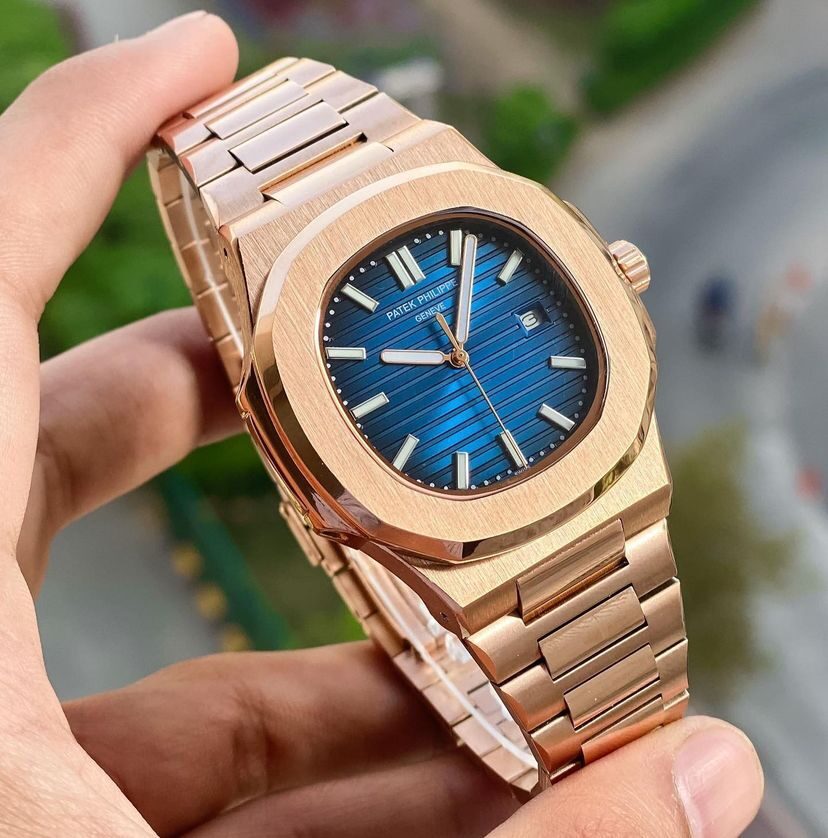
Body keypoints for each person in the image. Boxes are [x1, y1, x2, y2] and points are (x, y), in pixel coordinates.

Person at [0, 12, 764, 837]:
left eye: (459, 343)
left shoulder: (450, 181)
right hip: (471, 531)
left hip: (594, 475)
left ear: (616, 278)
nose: (458, 355)